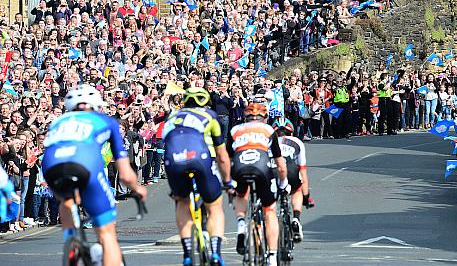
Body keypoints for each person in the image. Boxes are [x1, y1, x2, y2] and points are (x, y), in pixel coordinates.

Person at [41, 84, 147, 266]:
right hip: (85, 165)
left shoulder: (58, 122)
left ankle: (71, 241)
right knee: (107, 234)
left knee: (65, 201)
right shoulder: (106, 121)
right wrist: (137, 189)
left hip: (51, 167)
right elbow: (125, 174)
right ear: (97, 105)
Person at [162, 87, 234, 266]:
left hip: (174, 160)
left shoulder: (172, 117)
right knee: (214, 206)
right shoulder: (210, 115)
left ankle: (187, 253)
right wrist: (227, 181)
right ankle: (216, 252)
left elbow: (167, 145)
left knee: (182, 202)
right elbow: (222, 155)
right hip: (202, 159)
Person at [228, 103, 288, 266]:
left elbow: (226, 159)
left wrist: (227, 182)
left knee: (240, 194)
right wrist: (283, 184)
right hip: (261, 168)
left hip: (240, 167)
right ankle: (273, 256)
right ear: (264, 118)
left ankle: (241, 226)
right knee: (270, 211)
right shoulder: (268, 130)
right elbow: (281, 165)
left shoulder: (235, 130)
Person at [271, 119, 315, 243]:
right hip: (290, 168)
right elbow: (303, 171)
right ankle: (296, 218)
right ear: (291, 132)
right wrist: (306, 197)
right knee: (297, 190)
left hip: (273, 168)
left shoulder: (269, 140)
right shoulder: (296, 142)